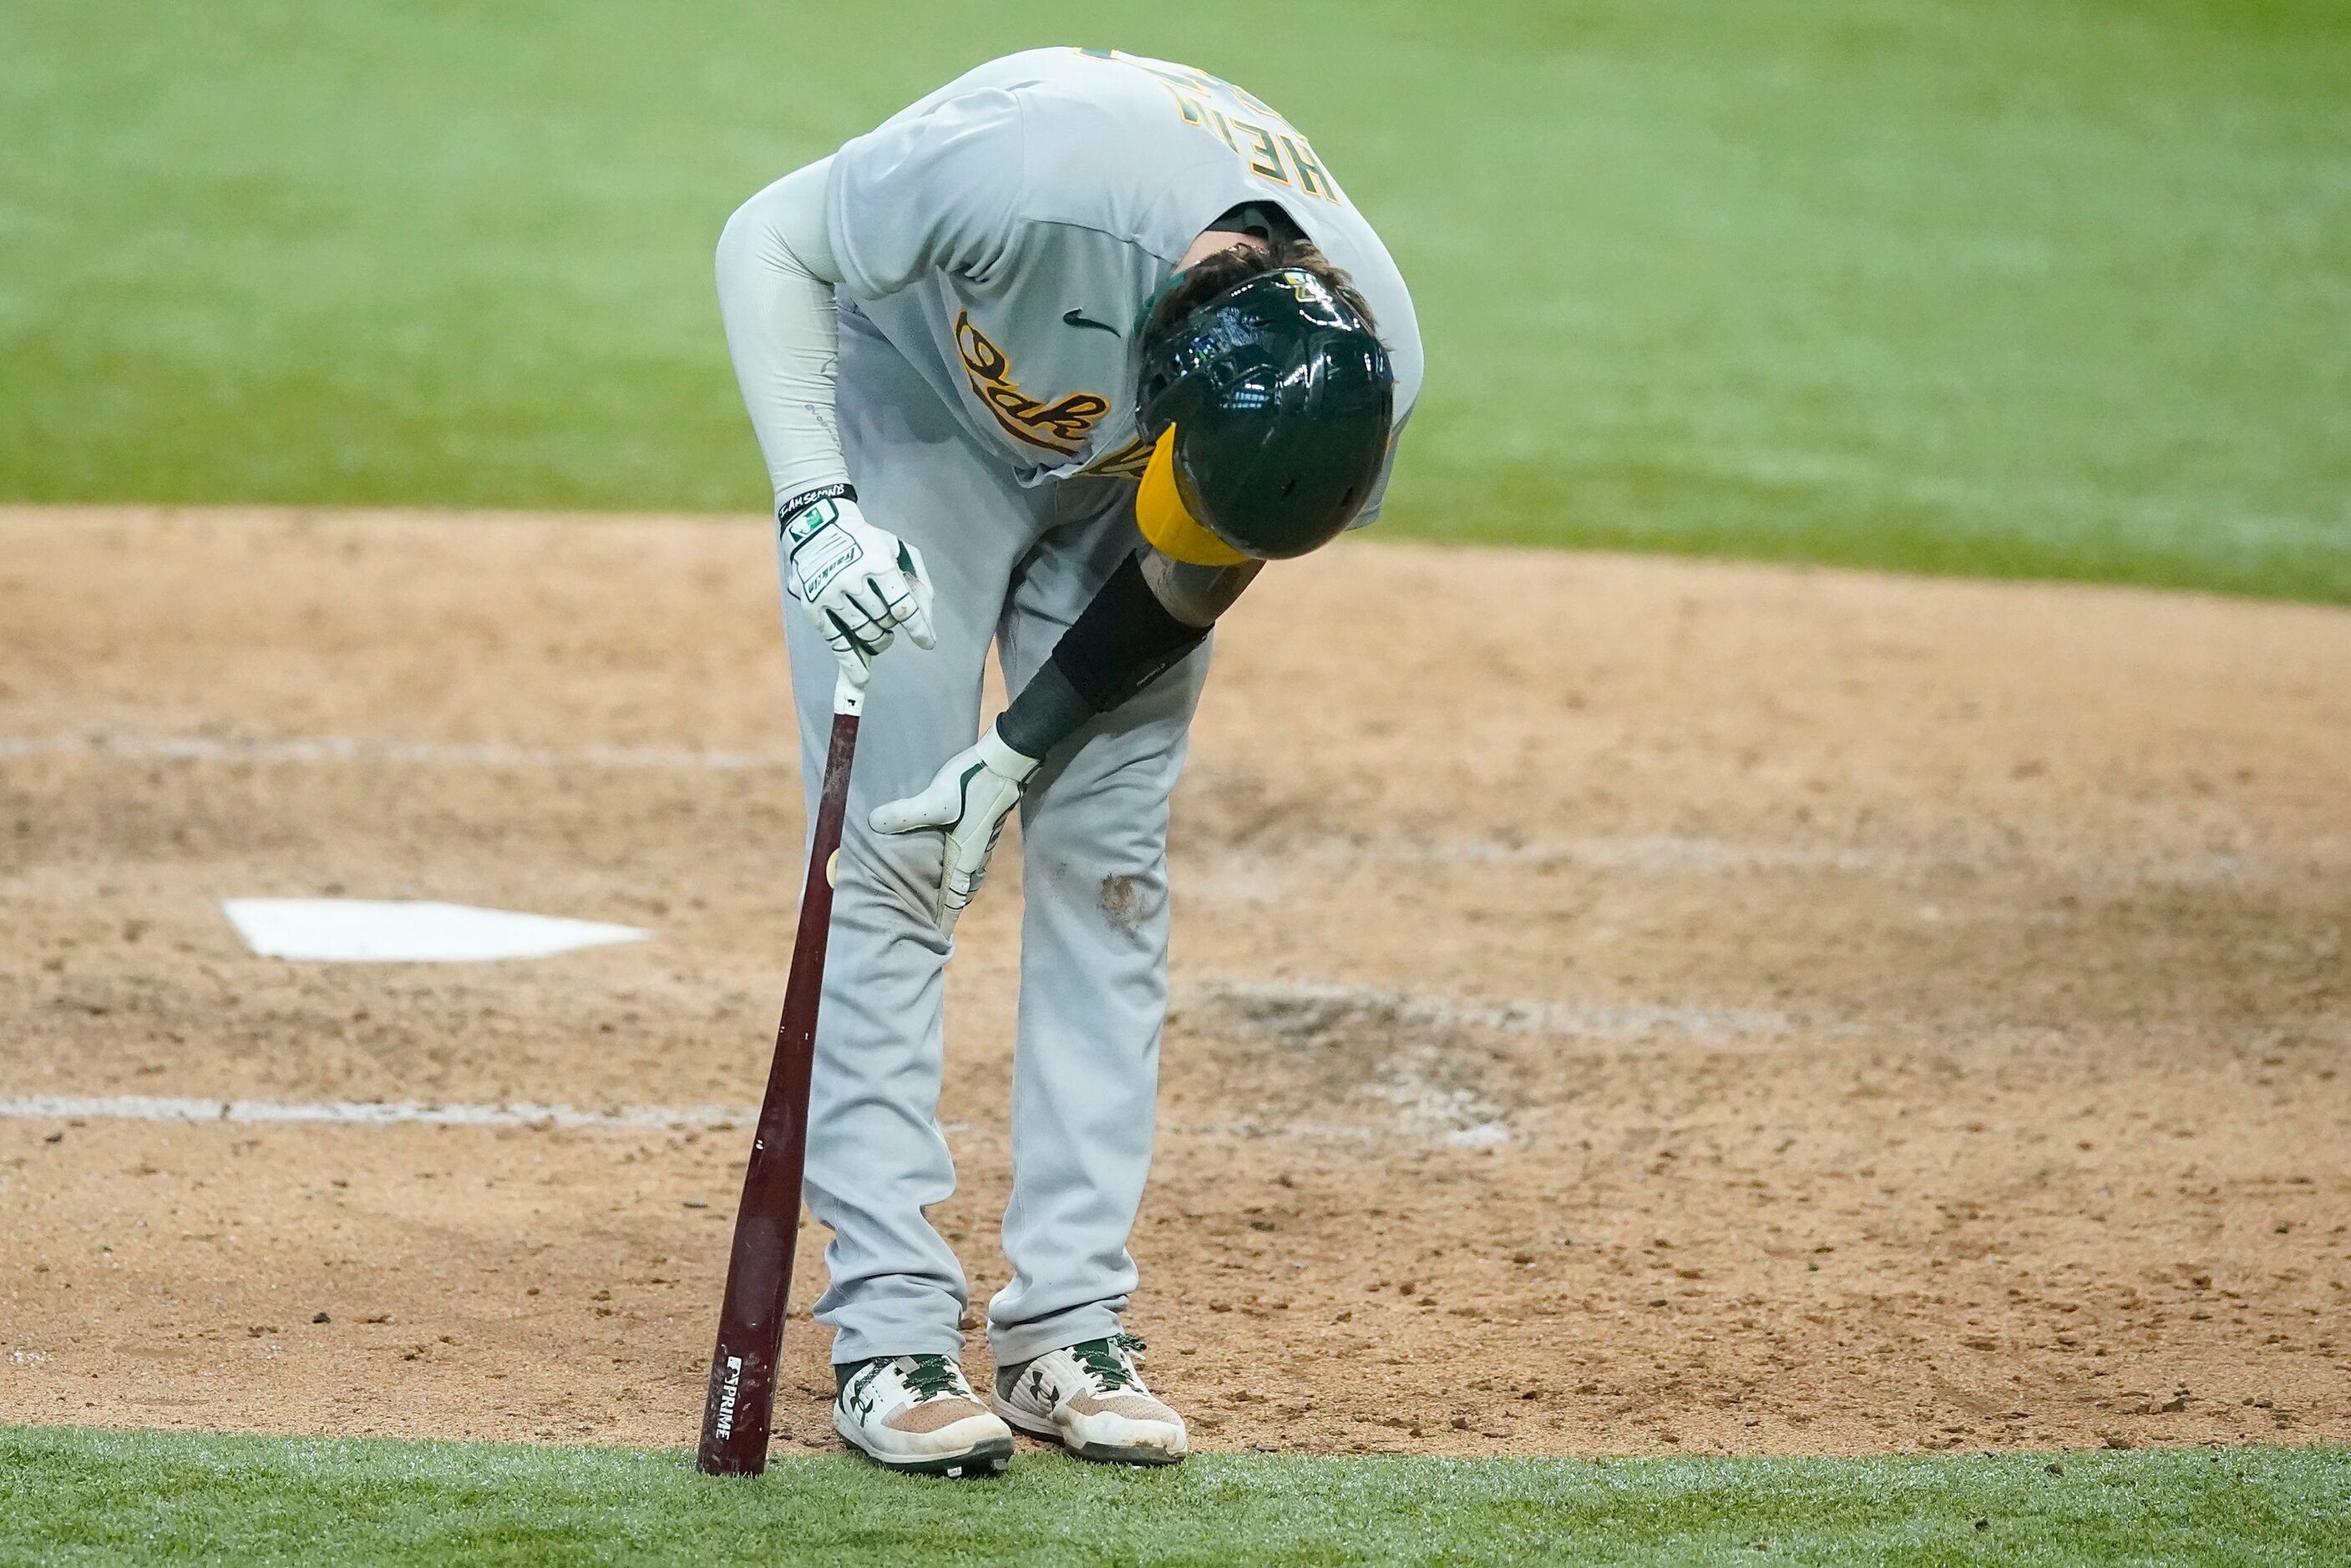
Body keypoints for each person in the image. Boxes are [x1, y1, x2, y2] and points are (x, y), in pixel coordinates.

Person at [715, 46, 1421, 1475]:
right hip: (917, 419)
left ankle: (1068, 1327)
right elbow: (768, 236)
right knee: (900, 853)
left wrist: (1019, 750)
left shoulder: (1349, 382)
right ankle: (890, 1331)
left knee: (1109, 868)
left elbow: (1192, 568)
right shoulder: (1024, 173)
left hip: (1118, 496)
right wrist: (814, 508)